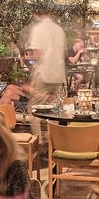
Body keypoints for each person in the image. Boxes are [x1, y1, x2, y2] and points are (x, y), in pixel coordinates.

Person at [26, 11, 66, 139]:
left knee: (33, 108)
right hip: (58, 74)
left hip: (44, 73)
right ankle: (53, 140)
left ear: (37, 15)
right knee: (54, 108)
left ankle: (38, 140)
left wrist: (30, 59)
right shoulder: (59, 29)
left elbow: (37, 54)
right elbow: (61, 54)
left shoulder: (38, 29)